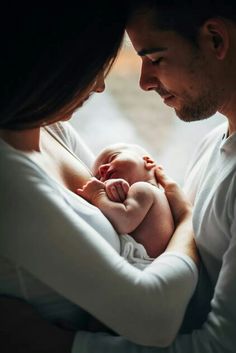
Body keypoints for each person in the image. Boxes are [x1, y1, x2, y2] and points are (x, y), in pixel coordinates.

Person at [0, 2, 198, 353]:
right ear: (51, 59)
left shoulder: (50, 128)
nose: (102, 86)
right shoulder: (8, 181)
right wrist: (187, 223)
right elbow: (154, 320)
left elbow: (118, 212)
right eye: (93, 66)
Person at [70, 0, 236, 352]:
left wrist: (59, 344)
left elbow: (222, 346)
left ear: (216, 40)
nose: (144, 82)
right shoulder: (214, 143)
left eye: (155, 58)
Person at [77, 143, 174, 260]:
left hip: (144, 264)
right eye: (98, 178)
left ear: (147, 162)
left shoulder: (144, 189)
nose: (102, 169)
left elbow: (125, 221)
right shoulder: (149, 198)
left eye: (112, 158)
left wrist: (97, 195)